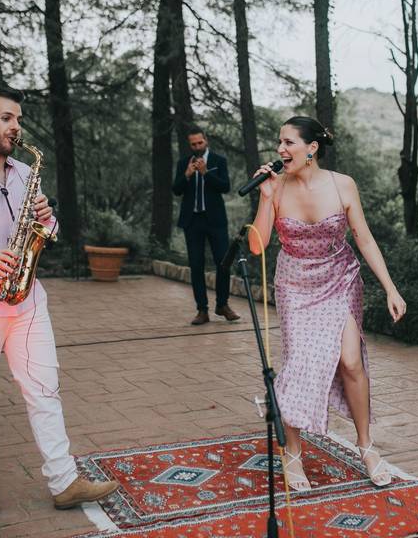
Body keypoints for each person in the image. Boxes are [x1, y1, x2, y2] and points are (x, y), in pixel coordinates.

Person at [0, 87, 119, 515]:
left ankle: (64, 480)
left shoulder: (21, 173)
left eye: (18, 120)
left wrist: (48, 221)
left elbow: (44, 233)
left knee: (44, 390)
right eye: (7, 118)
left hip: (27, 301)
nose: (16, 127)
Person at [247, 116, 406, 491]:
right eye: (279, 143)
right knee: (300, 364)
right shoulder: (277, 187)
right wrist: (266, 198)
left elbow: (364, 238)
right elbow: (257, 246)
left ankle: (366, 446)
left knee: (351, 361)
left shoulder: (342, 185)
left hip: (339, 278)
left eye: (289, 143)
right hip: (296, 284)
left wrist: (390, 288)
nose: (281, 150)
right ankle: (293, 454)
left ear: (312, 148)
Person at [172, 127, 241, 325]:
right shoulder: (183, 163)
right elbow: (176, 190)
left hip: (215, 221)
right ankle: (202, 310)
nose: (197, 147)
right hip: (192, 221)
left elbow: (225, 187)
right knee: (196, 266)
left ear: (206, 141)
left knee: (223, 262)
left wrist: (205, 173)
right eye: (193, 144)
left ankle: (222, 304)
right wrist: (186, 175)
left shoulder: (219, 161)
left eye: (199, 143)